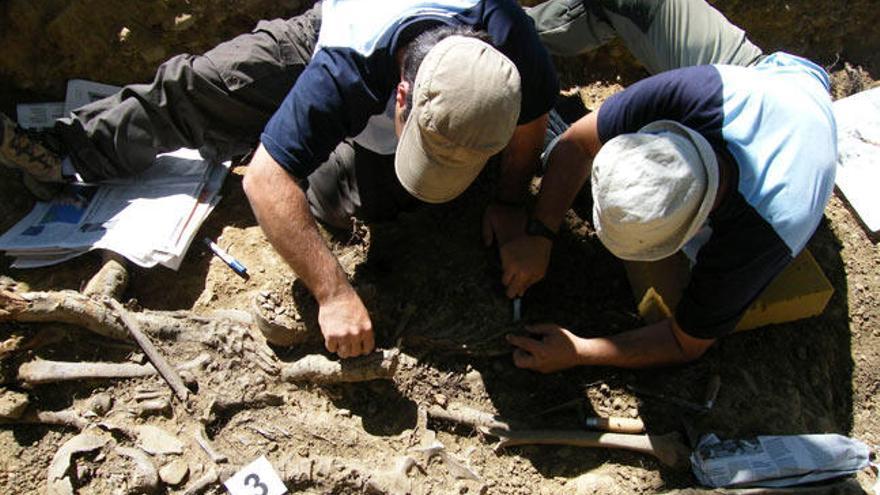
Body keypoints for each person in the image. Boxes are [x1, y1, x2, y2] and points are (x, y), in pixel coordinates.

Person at [0, 1, 559, 359]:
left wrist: (513, 203)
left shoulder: (512, 48)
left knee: (345, 197)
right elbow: (265, 184)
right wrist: (333, 293)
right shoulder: (346, 65)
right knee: (204, 86)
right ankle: (66, 149)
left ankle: (296, 138)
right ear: (403, 98)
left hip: (385, 97)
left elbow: (533, 119)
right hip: (331, 34)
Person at [501, 0, 838, 370]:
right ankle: (507, 39)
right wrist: (541, 232)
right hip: (763, 78)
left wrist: (581, 351)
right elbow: (579, 144)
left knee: (547, 138)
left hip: (795, 120)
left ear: (696, 229)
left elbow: (684, 341)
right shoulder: (698, 92)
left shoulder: (758, 236)